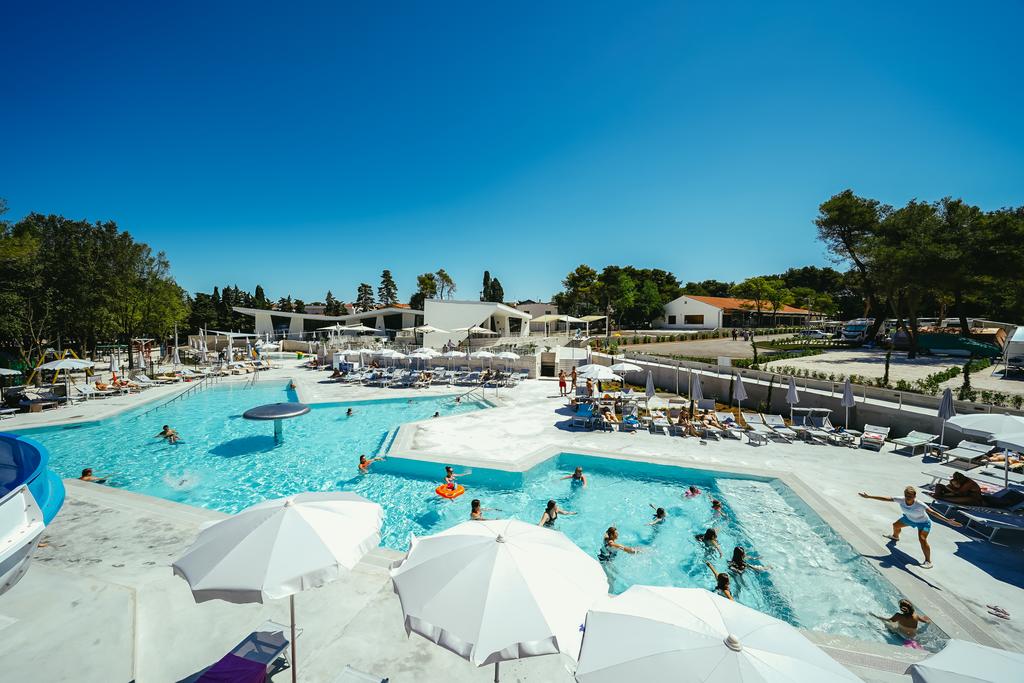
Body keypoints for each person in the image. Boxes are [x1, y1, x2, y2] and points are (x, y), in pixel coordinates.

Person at [858, 486, 962, 569]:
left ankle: (928, 561)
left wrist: (947, 520)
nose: (908, 498)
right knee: (895, 525)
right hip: (909, 519)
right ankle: (895, 537)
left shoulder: (920, 505)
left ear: (915, 496)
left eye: (910, 496)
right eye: (907, 496)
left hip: (923, 523)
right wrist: (869, 497)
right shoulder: (901, 499)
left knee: (922, 539)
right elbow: (886, 499)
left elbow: (933, 513)